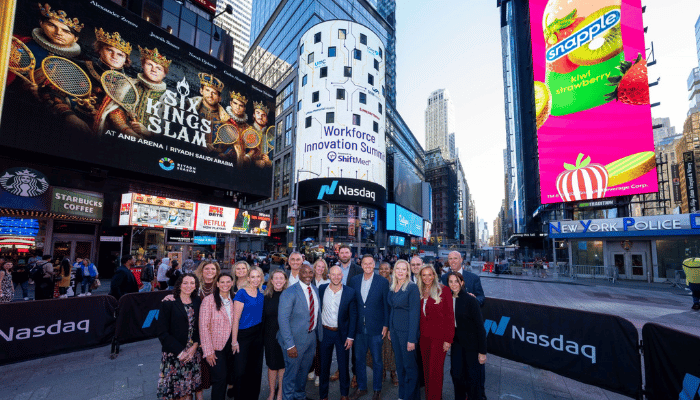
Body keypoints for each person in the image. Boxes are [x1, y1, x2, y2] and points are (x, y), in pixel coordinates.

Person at [348, 254, 389, 400]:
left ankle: (377, 389)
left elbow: (386, 305)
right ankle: (362, 387)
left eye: (370, 263)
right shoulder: (354, 280)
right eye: (365, 263)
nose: (367, 265)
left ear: (374, 264)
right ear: (361, 264)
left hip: (376, 328)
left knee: (377, 360)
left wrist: (386, 325)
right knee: (359, 359)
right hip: (359, 329)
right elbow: (352, 304)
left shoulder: (382, 282)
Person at [277, 264, 321, 400]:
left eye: (310, 272)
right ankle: (288, 397)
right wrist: (290, 345)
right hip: (294, 341)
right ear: (299, 273)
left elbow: (316, 314)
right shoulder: (289, 292)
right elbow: (283, 319)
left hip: (310, 339)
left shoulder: (314, 289)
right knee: (291, 373)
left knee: (304, 372)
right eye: (304, 272)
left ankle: (300, 395)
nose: (308, 275)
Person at [156, 273, 202, 400]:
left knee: (188, 389)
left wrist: (195, 345)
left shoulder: (197, 301)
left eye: (192, 283)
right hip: (175, 353)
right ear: (179, 285)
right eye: (185, 283)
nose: (189, 286)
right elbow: (162, 332)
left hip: (193, 352)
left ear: (196, 285)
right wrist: (180, 352)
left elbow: (200, 327)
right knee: (176, 391)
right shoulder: (169, 302)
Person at [318, 266, 357, 400]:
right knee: (324, 366)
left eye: (338, 274)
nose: (335, 277)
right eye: (333, 274)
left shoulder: (350, 292)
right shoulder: (322, 289)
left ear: (342, 276)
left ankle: (344, 395)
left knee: (343, 365)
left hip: (342, 334)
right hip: (325, 333)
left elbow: (353, 316)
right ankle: (323, 396)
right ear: (328, 275)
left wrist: (350, 337)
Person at [447, 272, 487, 400]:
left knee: (472, 378)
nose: (454, 284)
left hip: (472, 344)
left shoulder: (471, 300)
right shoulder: (448, 299)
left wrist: (482, 352)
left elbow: (480, 327)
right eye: (451, 281)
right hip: (457, 343)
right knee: (456, 374)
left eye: (456, 281)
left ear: (462, 283)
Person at [417, 265, 454, 400]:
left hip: (439, 338)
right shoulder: (419, 290)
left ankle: (435, 397)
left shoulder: (444, 291)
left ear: (434, 275)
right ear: (420, 276)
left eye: (430, 274)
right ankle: (429, 396)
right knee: (426, 370)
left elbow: (450, 316)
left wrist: (448, 340)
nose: (427, 278)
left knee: (436, 371)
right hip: (424, 337)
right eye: (424, 275)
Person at [387, 260, 420, 400]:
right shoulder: (393, 286)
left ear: (408, 271)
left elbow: (415, 314)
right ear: (394, 271)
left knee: (410, 367)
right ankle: (402, 395)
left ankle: (411, 396)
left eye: (403, 269)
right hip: (394, 332)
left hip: (407, 333)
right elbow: (392, 309)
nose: (400, 271)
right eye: (398, 269)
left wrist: (412, 339)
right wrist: (389, 329)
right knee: (400, 366)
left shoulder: (412, 288)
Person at [231, 266, 265, 400]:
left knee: (255, 370)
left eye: (258, 276)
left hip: (258, 335)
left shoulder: (261, 293)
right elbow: (235, 319)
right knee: (240, 371)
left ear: (261, 278)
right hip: (243, 336)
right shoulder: (241, 293)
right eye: (253, 276)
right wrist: (234, 341)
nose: (256, 279)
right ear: (248, 278)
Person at [199, 273, 236, 400]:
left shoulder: (235, 298)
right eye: (222, 282)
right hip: (216, 347)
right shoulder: (208, 300)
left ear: (232, 283)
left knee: (230, 377)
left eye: (228, 282)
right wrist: (208, 351)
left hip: (232, 346)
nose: (225, 284)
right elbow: (203, 327)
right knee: (220, 379)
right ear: (218, 284)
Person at [263, 270, 289, 400]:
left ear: (285, 281)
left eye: (281, 278)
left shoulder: (289, 296)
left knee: (283, 366)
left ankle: (280, 393)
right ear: (271, 281)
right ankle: (272, 392)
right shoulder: (266, 297)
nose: (278, 281)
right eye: (275, 278)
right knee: (272, 366)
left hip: (285, 337)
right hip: (270, 336)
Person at [375, 262, 398, 386]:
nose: (384, 270)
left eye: (386, 269)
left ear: (391, 270)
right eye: (382, 269)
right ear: (379, 271)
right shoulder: (377, 282)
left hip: (393, 319)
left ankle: (393, 373)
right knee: (381, 348)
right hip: (380, 320)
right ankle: (383, 371)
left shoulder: (395, 283)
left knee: (392, 348)